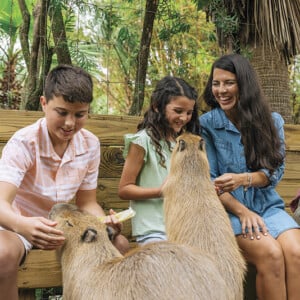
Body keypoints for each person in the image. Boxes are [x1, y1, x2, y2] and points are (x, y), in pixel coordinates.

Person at [0, 64, 129, 300]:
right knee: (2, 254)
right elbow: (1, 203)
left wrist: (102, 222)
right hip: (17, 225)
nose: (70, 123)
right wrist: (23, 225)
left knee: (118, 245)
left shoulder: (89, 144)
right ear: (43, 103)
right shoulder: (24, 143)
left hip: (63, 229)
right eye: (62, 112)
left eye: (79, 114)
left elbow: (87, 202)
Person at [200, 53, 300, 300]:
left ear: (244, 84)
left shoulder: (271, 120)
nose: (221, 90)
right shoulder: (206, 124)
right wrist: (244, 212)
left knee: (296, 252)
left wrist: (243, 179)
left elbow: (273, 173)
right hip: (230, 213)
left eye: (228, 83)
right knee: (271, 255)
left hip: (268, 207)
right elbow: (210, 182)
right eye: (216, 83)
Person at [118, 76, 200, 246]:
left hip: (181, 227)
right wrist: (160, 191)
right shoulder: (142, 141)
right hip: (152, 229)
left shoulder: (183, 143)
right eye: (178, 111)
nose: (184, 118)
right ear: (157, 106)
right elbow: (124, 189)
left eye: (189, 113)